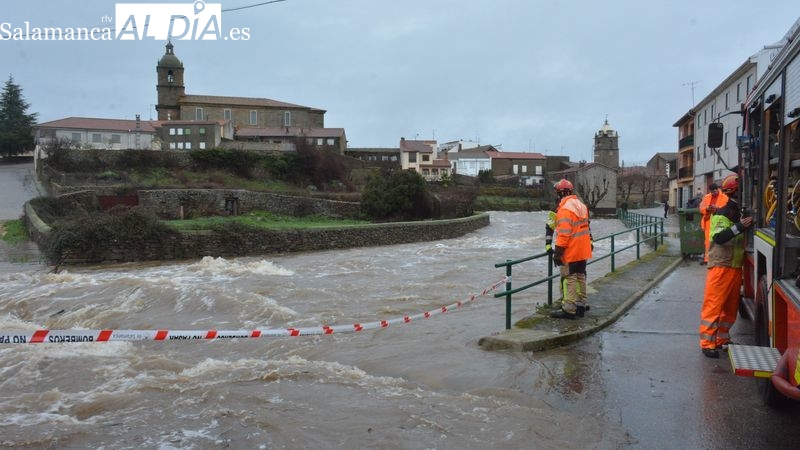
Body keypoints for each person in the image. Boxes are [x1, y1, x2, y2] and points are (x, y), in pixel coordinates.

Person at [698, 174, 753, 358]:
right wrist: (739, 227)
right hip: (721, 266)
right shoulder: (723, 213)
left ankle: (721, 339)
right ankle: (707, 343)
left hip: (734, 266)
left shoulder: (735, 212)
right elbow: (719, 237)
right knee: (714, 304)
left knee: (729, 307)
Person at [550, 179, 593, 319]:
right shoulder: (581, 205)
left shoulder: (564, 210)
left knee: (570, 278)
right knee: (581, 276)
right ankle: (581, 305)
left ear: (560, 193)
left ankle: (569, 309)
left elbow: (563, 234)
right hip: (584, 249)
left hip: (572, 250)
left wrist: (558, 253)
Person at [698, 183, 728, 265]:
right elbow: (701, 208)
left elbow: (725, 209)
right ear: (710, 191)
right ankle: (707, 259)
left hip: (719, 222)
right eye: (712, 191)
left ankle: (717, 258)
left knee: (718, 240)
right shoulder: (707, 197)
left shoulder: (724, 197)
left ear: (717, 189)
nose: (714, 192)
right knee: (708, 241)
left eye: (715, 191)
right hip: (708, 222)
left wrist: (716, 208)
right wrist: (707, 209)